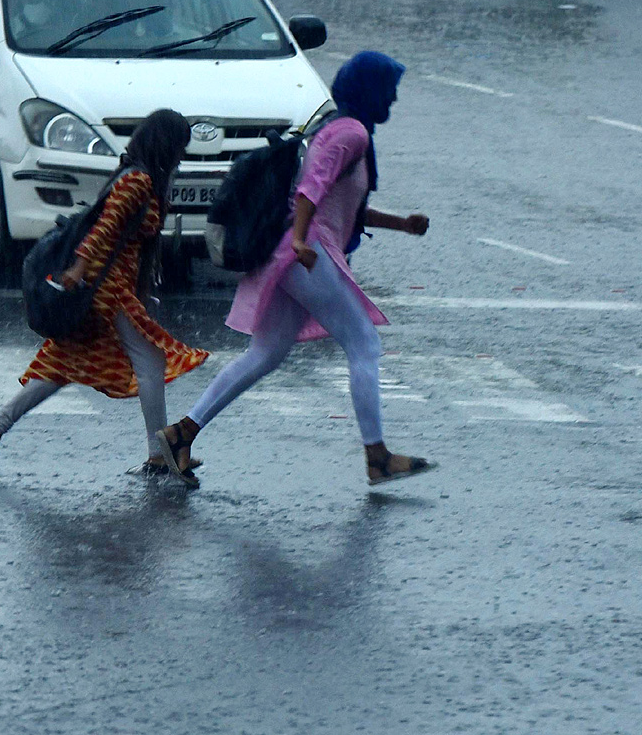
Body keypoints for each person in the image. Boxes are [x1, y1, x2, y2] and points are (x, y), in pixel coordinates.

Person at [156, 51, 436, 488]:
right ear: (371, 90)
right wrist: (303, 239)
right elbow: (311, 189)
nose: (393, 102)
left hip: (294, 250)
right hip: (305, 252)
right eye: (389, 92)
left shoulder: (341, 129)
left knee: (267, 353)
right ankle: (377, 456)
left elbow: (341, 205)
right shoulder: (352, 134)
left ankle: (181, 434)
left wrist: (401, 224)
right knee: (364, 342)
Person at [0, 110, 210, 482]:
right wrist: (80, 268)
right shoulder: (138, 182)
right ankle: (160, 454)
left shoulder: (140, 179)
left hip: (110, 286)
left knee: (63, 364)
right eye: (179, 148)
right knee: (151, 361)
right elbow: (104, 228)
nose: (181, 157)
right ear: (165, 146)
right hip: (106, 288)